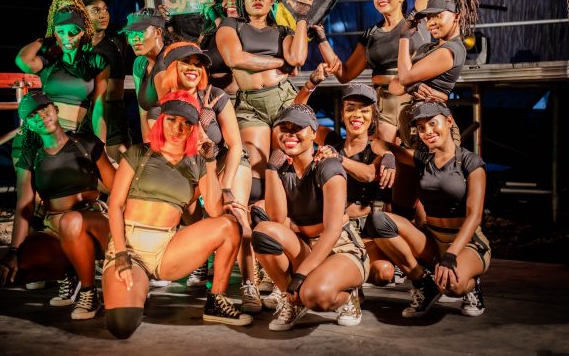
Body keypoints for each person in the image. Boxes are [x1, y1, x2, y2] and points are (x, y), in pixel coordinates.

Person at [102, 90, 252, 339]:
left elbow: (215, 211)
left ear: (194, 127)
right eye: (172, 119)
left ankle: (216, 300)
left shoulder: (197, 162)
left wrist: (210, 159)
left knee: (228, 224)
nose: (177, 128)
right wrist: (120, 253)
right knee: (122, 323)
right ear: (162, 119)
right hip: (129, 247)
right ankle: (136, 287)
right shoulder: (139, 153)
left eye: (186, 122)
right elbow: (115, 205)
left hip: (168, 249)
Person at [150, 41, 259, 312]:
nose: (194, 69)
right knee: (190, 216)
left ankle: (250, 284)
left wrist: (226, 187)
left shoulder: (215, 96)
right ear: (173, 67)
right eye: (187, 63)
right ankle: (201, 258)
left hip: (224, 162)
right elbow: (162, 151)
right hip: (189, 171)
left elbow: (235, 145)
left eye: (198, 65)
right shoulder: (163, 106)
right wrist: (197, 122)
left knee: (237, 215)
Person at [0, 91, 116, 320]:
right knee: (15, 270)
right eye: (32, 115)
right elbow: (24, 206)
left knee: (71, 221)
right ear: (28, 124)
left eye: (44, 108)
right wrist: (13, 252)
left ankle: (89, 293)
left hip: (93, 223)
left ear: (55, 109)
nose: (41, 116)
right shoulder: (31, 156)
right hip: (56, 229)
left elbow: (118, 188)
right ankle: (70, 273)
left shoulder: (86, 143)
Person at [315, 0, 434, 144]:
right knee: (383, 157)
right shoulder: (371, 34)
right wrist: (321, 39)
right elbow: (344, 74)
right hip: (382, 104)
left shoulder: (417, 20)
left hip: (413, 99)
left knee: (414, 158)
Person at [253, 104, 369, 331]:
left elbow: (332, 230)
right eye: (284, 128)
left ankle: (348, 297)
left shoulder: (327, 166)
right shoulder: (282, 169)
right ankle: (292, 300)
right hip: (306, 247)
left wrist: (300, 274)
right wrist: (271, 169)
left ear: (313, 134)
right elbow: (276, 219)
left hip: (341, 249)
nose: (290, 134)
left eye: (297, 128)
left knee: (315, 296)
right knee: (263, 231)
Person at [369, 101, 490, 318]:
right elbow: (380, 144)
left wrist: (451, 256)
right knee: (378, 221)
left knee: (451, 286)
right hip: (433, 240)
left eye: (433, 123)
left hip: (466, 244)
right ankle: (425, 283)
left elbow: (475, 216)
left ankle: (472, 286)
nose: (428, 131)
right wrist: (389, 156)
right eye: (421, 127)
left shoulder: (471, 162)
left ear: (449, 121)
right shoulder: (423, 160)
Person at [294, 69, 404, 288]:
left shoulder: (376, 146)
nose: (357, 115)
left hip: (365, 228)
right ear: (342, 114)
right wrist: (310, 84)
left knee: (384, 272)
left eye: (364, 110)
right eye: (350, 108)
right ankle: (345, 279)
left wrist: (337, 158)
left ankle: (350, 275)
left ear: (373, 115)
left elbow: (369, 174)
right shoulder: (331, 140)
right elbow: (298, 116)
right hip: (332, 227)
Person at [216, 0, 311, 212]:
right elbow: (235, 58)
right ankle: (251, 216)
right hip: (250, 105)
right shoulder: (231, 25)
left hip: (283, 99)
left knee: (287, 164)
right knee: (254, 166)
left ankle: (288, 218)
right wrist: (280, 63)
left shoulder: (282, 31)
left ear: (272, 0)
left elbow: (298, 58)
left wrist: (302, 17)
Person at [390, 0, 480, 148]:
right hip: (414, 125)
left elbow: (404, 78)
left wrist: (404, 38)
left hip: (433, 127)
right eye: (429, 17)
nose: (431, 23)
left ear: (456, 16)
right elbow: (394, 86)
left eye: (438, 16)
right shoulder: (425, 48)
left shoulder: (453, 49)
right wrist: (412, 87)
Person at [15, 0, 109, 142]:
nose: (67, 38)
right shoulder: (49, 61)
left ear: (82, 32)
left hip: (74, 138)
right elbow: (22, 60)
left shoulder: (96, 61)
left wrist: (101, 146)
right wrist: (43, 40)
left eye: (73, 32)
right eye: (61, 32)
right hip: (44, 137)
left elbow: (99, 110)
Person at [72, 0, 130, 162]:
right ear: (82, 14)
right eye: (96, 10)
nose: (103, 14)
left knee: (117, 170)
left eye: (105, 9)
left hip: (112, 120)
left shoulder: (117, 41)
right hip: (80, 120)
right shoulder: (73, 46)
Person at [120, 8, 168, 143]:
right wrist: (147, 146)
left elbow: (172, 114)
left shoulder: (170, 61)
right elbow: (143, 112)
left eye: (140, 32)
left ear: (158, 32)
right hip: (154, 139)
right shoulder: (139, 63)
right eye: (130, 33)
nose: (134, 39)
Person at [200, 0, 239, 96]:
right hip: (207, 94)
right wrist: (168, 21)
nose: (231, 1)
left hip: (232, 98)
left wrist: (215, 16)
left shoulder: (247, 26)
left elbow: (227, 36)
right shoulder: (211, 26)